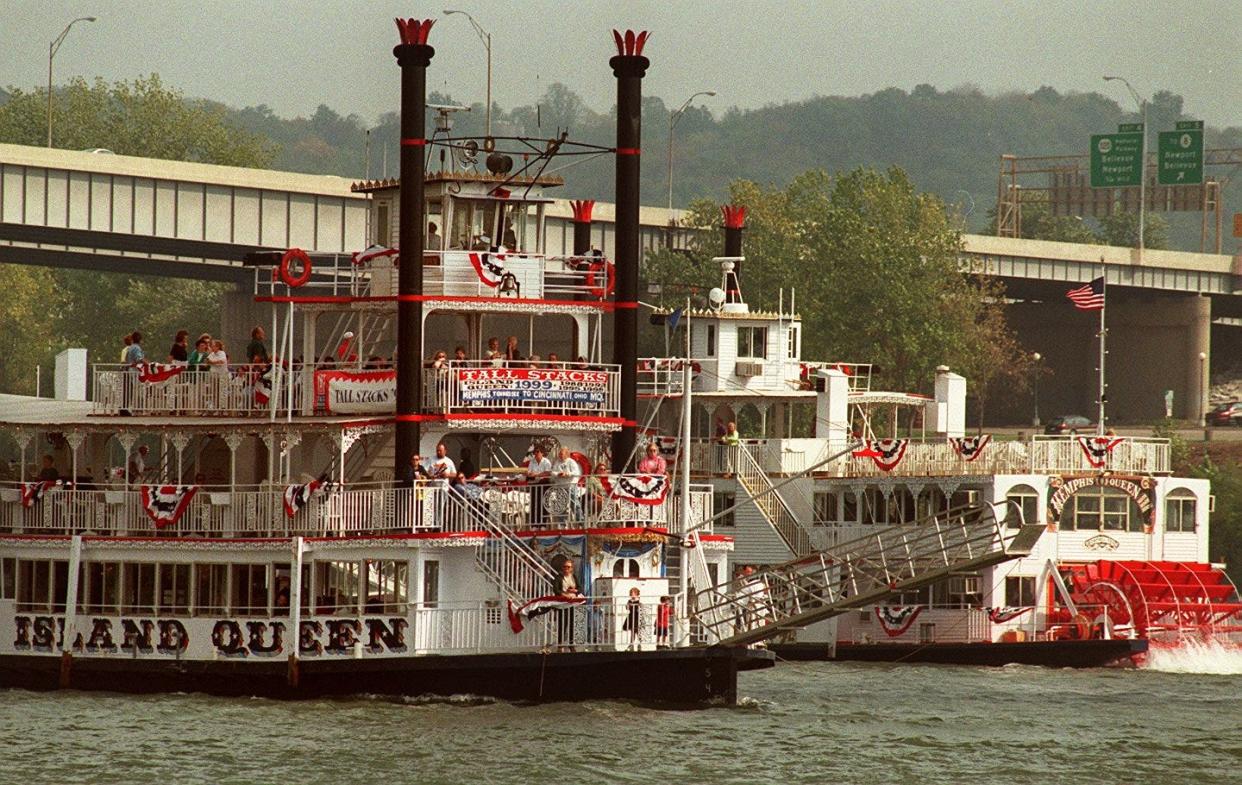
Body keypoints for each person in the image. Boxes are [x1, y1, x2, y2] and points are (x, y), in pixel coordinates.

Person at [552, 558, 581, 650]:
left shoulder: (574, 577)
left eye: (568, 567)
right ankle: (560, 645)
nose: (566, 569)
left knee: (572, 623)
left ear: (571, 568)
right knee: (562, 624)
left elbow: (580, 588)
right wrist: (564, 594)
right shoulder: (559, 577)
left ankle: (571, 644)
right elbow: (556, 589)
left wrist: (575, 590)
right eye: (564, 567)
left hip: (572, 602)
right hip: (563, 603)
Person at [553, 448, 583, 522]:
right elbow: (553, 472)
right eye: (559, 453)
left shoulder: (571, 462)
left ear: (566, 454)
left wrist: (567, 474)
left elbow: (576, 473)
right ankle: (562, 524)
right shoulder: (557, 462)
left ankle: (580, 521)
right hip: (560, 486)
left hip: (570, 486)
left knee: (574, 504)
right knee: (560, 505)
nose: (559, 455)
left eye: (561, 453)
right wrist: (558, 474)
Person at [526, 446, 553, 527]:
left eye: (537, 452)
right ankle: (534, 525)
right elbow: (529, 472)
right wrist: (532, 474)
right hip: (534, 485)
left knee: (543, 504)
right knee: (534, 505)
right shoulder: (532, 461)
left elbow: (548, 473)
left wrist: (536, 474)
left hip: (544, 485)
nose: (536, 454)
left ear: (542, 453)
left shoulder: (546, 462)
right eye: (535, 452)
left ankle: (543, 525)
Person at [622, 587, 642, 651]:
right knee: (632, 630)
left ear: (636, 594)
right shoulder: (630, 601)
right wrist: (628, 605)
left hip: (636, 616)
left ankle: (639, 643)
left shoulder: (638, 600)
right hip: (631, 616)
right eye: (631, 593)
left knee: (637, 631)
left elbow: (641, 607)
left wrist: (639, 605)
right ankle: (632, 644)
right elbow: (627, 608)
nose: (631, 594)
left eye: (632, 593)